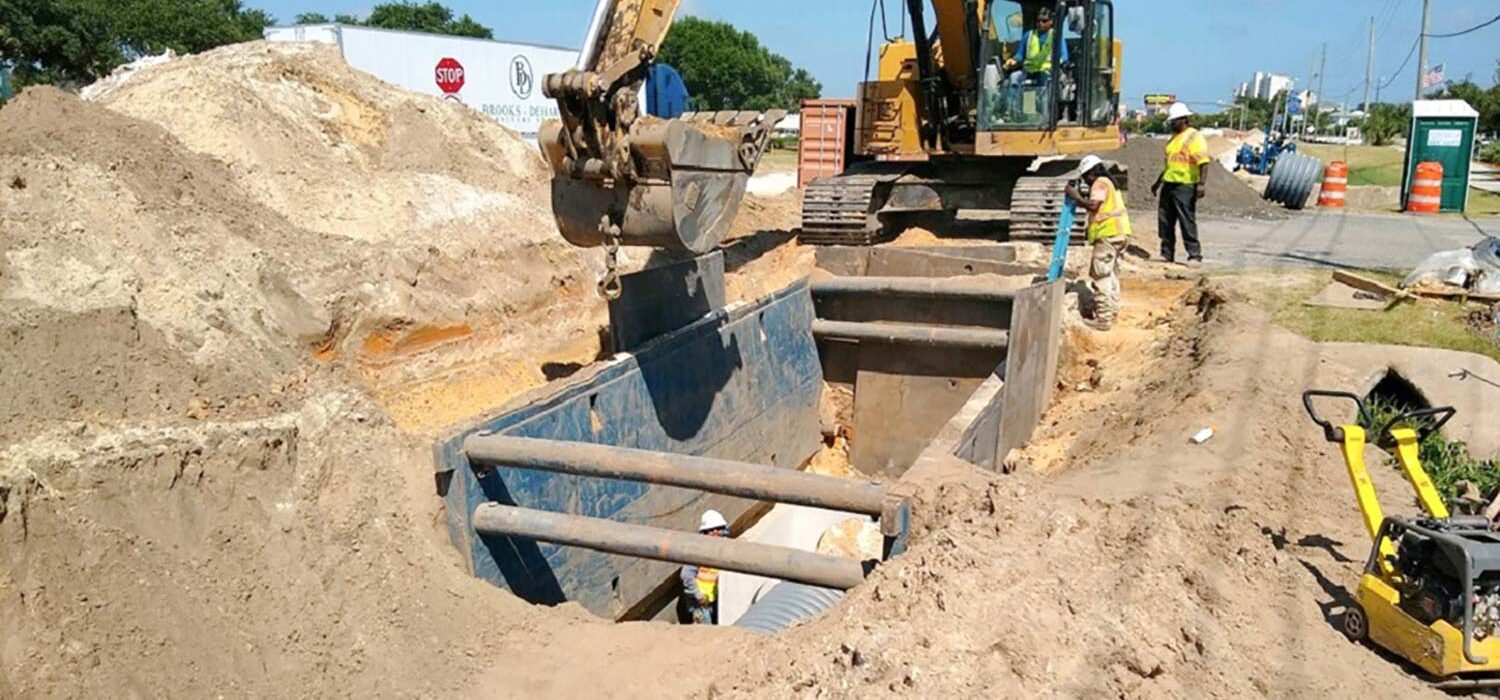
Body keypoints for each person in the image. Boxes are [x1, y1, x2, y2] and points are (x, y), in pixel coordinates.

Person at [1065, 155, 1132, 330]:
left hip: (1108, 234)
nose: (1086, 180)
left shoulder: (1100, 183)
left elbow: (1093, 206)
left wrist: (1075, 196)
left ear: (1093, 171)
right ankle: (1112, 311)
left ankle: (1103, 319)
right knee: (1111, 275)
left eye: (1086, 176)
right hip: (1120, 233)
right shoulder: (1111, 183)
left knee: (1100, 276)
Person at [1150, 102, 1211, 265]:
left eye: (1173, 121)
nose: (1171, 124)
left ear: (1182, 119)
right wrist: (1158, 182)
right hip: (1169, 184)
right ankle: (1167, 254)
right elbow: (1170, 164)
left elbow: (1203, 162)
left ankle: (1194, 255)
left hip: (1185, 185)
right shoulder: (1173, 139)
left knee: (1186, 220)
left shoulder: (1194, 137)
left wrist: (1201, 184)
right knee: (1165, 221)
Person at [680, 509, 729, 625]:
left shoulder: (723, 548)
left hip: (712, 597)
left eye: (719, 528)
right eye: (711, 530)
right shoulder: (698, 551)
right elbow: (686, 575)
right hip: (698, 601)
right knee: (705, 628)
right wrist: (698, 595)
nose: (716, 532)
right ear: (704, 533)